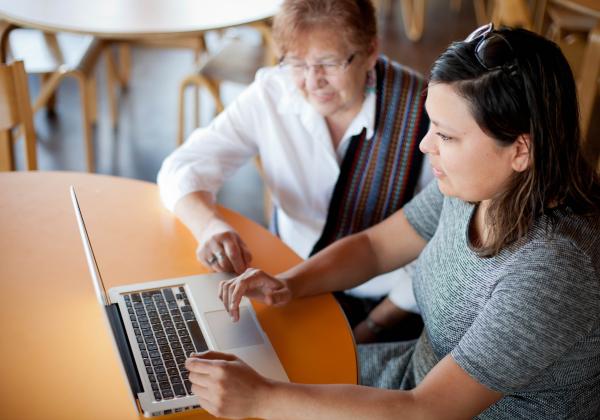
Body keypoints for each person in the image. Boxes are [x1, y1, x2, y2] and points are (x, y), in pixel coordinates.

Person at [184, 25, 600, 419]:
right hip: (408, 381)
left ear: (520, 150)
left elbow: (430, 410)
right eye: (431, 126)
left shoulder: (553, 270)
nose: (425, 145)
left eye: (446, 136)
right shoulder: (476, 187)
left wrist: (263, 398)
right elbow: (376, 247)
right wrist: (289, 284)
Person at [158, 0, 432, 341]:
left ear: (370, 51)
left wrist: (370, 328)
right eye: (297, 63)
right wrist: (208, 225)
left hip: (386, 301)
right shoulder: (273, 94)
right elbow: (183, 166)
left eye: (328, 63)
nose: (312, 81)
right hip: (286, 273)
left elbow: (439, 245)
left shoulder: (423, 112)